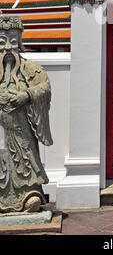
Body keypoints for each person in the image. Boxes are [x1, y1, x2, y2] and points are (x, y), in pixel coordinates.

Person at [0, 15, 53, 213]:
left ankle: (29, 195)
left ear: (20, 42)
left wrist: (26, 95)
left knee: (25, 162)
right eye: (1, 42)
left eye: (13, 42)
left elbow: (45, 88)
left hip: (21, 133)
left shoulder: (31, 69)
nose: (7, 48)